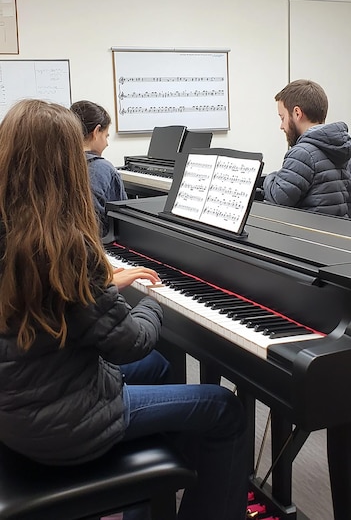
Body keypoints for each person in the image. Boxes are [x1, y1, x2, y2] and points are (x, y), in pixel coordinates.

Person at [0, 99, 249, 520]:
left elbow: (55, 299)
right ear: (64, 164)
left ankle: (151, 500)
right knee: (226, 408)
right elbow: (128, 342)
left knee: (158, 366)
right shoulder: (64, 245)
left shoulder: (16, 228)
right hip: (63, 425)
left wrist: (102, 286)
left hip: (21, 403)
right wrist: (160, 299)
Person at [263, 79, 351, 217]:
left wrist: (271, 177)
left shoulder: (303, 153)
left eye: (282, 118)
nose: (282, 126)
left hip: (307, 236)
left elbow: (277, 199)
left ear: (297, 113)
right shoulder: (342, 148)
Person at [71, 99, 127, 237]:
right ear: (96, 132)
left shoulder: (57, 161)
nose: (107, 143)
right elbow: (123, 218)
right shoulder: (102, 168)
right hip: (96, 246)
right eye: (106, 136)